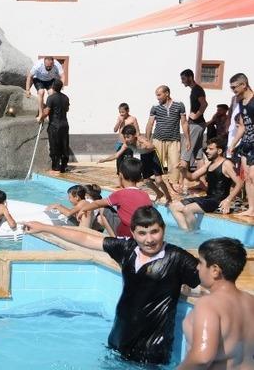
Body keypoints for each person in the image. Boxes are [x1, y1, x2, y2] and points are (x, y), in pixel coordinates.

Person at [24, 206, 199, 365]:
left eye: (154, 232)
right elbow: (85, 238)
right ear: (133, 232)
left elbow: (211, 279)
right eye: (142, 233)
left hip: (152, 345)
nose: (149, 239)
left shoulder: (177, 258)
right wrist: (46, 228)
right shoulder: (127, 249)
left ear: (163, 229)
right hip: (120, 335)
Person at [178, 237, 254, 370]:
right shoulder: (250, 301)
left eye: (200, 262)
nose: (197, 267)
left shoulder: (208, 305)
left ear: (215, 270)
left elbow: (202, 357)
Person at [170, 137, 243, 230]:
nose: (207, 151)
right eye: (207, 149)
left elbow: (240, 183)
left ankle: (192, 234)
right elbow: (192, 177)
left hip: (218, 200)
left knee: (188, 209)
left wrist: (228, 200)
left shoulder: (226, 164)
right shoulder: (209, 164)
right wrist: (183, 170)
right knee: (173, 206)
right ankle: (187, 232)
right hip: (208, 198)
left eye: (211, 149)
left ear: (219, 151)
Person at [75, 157, 153, 238]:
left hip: (127, 233)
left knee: (103, 208)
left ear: (120, 175)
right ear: (139, 178)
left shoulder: (120, 194)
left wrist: (84, 209)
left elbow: (98, 203)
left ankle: (115, 240)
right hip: (143, 233)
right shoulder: (145, 195)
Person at [98, 124, 174, 205]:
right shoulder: (127, 144)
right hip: (144, 157)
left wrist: (145, 147)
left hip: (153, 156)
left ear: (134, 135)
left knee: (159, 180)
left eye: (128, 137)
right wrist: (104, 160)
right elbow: (116, 155)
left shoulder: (140, 140)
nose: (126, 139)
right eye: (125, 137)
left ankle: (168, 197)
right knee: (147, 181)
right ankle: (159, 193)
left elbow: (152, 146)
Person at [145, 85, 190, 190]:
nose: (157, 97)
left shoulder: (179, 105)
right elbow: (150, 123)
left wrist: (188, 139)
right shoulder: (155, 106)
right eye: (157, 95)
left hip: (174, 140)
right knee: (156, 163)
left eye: (159, 95)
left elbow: (184, 123)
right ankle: (155, 182)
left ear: (167, 93)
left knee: (175, 163)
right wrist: (147, 140)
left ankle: (173, 183)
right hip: (158, 139)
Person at [228, 72, 254, 217]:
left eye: (234, 87)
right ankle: (251, 209)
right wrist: (233, 144)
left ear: (243, 84)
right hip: (246, 143)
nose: (233, 90)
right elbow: (242, 126)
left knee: (253, 175)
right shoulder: (240, 101)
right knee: (248, 178)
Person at [181, 69, 209, 173]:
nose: (182, 81)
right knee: (198, 155)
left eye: (183, 78)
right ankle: (201, 181)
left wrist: (196, 116)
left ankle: (182, 182)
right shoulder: (195, 90)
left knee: (186, 152)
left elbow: (204, 104)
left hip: (196, 125)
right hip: (199, 125)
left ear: (190, 77)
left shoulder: (197, 89)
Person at [40, 79, 70, 172]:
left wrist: (41, 116)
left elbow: (47, 111)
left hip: (54, 125)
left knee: (54, 145)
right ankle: (64, 165)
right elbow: (67, 109)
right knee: (64, 145)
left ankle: (55, 166)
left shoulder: (51, 98)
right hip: (64, 125)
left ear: (53, 87)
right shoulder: (66, 97)